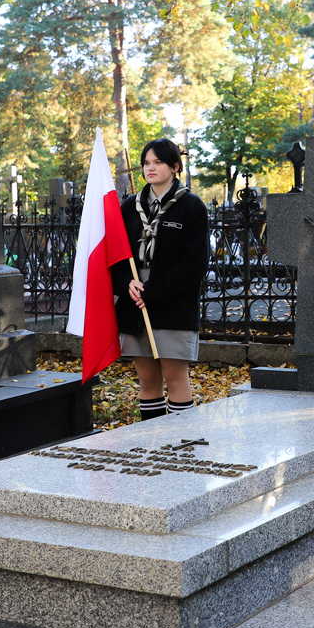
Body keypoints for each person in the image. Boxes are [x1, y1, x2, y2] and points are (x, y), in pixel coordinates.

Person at [112, 138, 209, 420]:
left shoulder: (192, 207)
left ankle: (180, 444)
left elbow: (195, 264)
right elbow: (117, 259)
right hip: (134, 301)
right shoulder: (130, 207)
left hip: (171, 302)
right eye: (146, 163)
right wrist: (126, 284)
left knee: (175, 377)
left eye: (158, 162)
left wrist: (152, 292)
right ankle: (151, 442)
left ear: (175, 167)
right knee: (147, 380)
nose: (150, 168)